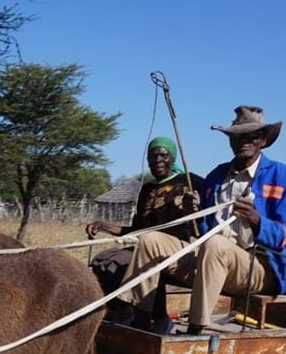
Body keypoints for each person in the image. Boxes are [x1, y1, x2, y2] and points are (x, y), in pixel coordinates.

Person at [185, 105, 286, 335]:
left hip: (259, 267)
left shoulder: (281, 175)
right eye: (238, 136)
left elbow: (284, 236)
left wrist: (256, 219)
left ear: (263, 140)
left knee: (216, 245)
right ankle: (134, 319)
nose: (244, 141)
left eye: (253, 136)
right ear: (230, 140)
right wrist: (194, 212)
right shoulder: (217, 175)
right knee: (152, 241)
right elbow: (203, 230)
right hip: (213, 259)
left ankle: (195, 331)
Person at [85, 136, 204, 329]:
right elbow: (138, 230)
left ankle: (155, 320)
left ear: (172, 158)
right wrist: (104, 225)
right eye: (152, 155)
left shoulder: (191, 181)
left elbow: (209, 210)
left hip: (178, 247)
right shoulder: (146, 189)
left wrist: (197, 208)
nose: (157, 159)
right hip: (145, 243)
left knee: (126, 261)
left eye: (163, 155)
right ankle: (118, 311)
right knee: (102, 261)